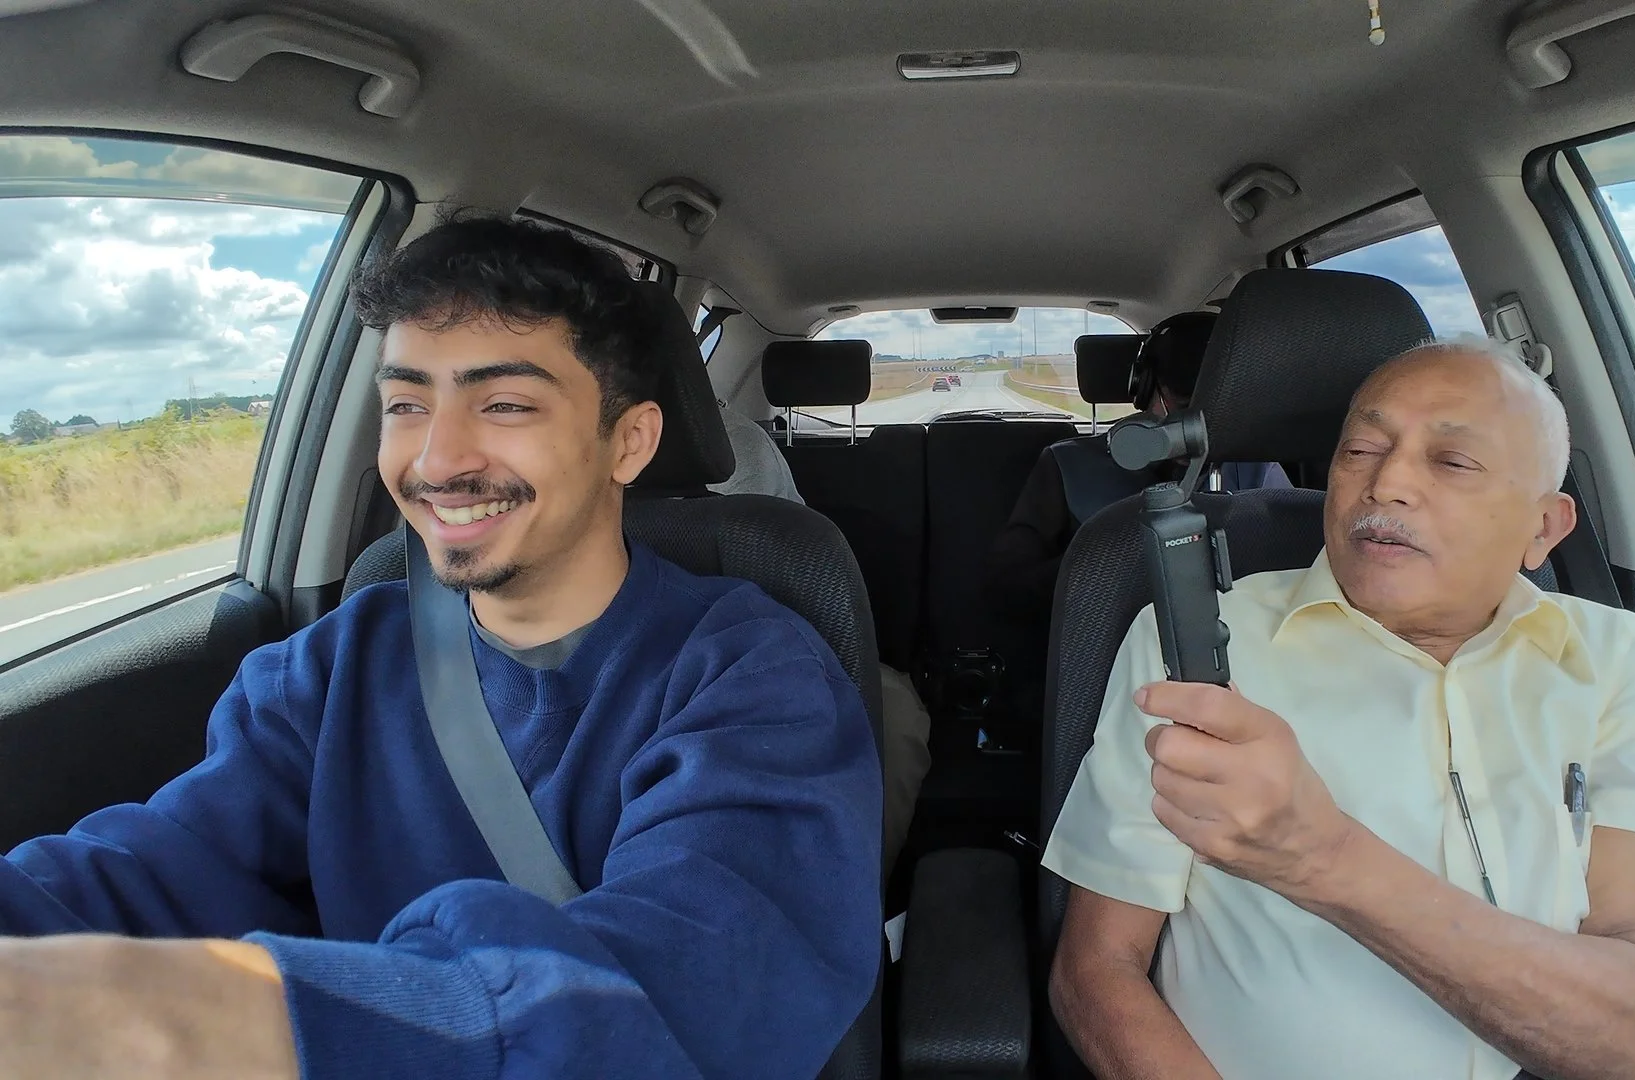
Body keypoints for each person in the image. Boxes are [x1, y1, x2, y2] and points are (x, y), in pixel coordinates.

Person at [0, 216, 880, 1079]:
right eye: (407, 403)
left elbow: (699, 980)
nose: (438, 459)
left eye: (504, 404)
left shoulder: (753, 676)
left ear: (630, 440)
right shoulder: (325, 668)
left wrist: (199, 1024)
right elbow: (144, 872)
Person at [1044, 339, 1635, 1080]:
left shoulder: (1613, 660)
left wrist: (1321, 859)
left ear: (1544, 528)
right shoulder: (1202, 647)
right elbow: (1096, 969)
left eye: (1453, 462)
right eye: (1360, 450)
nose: (1389, 483)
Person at [709, 398, 933, 883]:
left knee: (892, 717)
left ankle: (860, 900)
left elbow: (785, 587)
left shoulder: (731, 445)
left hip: (774, 651)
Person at [988, 310, 1288, 628]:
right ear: (1143, 387)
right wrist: (1113, 561)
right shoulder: (1068, 466)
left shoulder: (1260, 470)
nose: (1198, 427)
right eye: (1183, 407)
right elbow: (1007, 589)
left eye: (1215, 411)